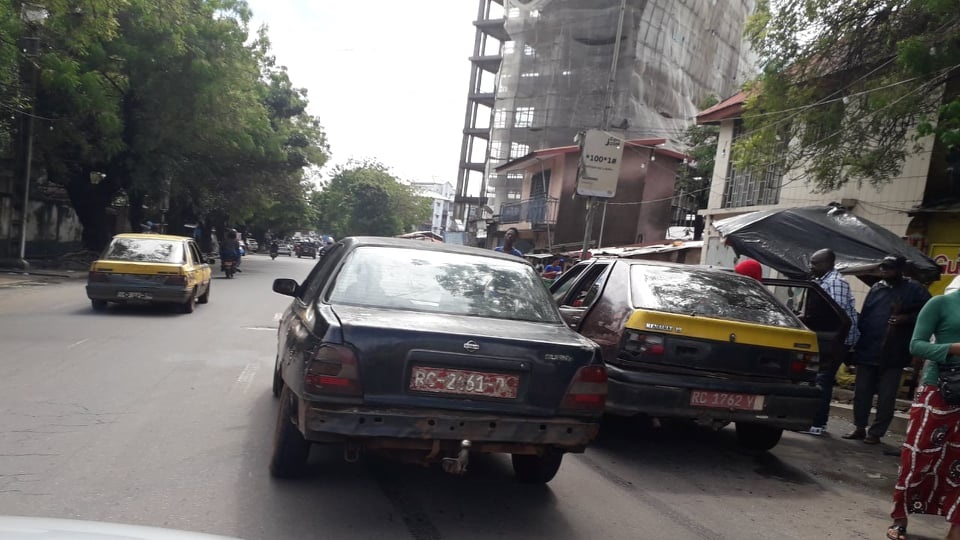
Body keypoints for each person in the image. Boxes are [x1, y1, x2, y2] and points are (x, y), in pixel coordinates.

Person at [887, 286, 960, 540]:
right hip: (939, 389)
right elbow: (916, 346)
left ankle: (956, 528)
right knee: (918, 455)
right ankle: (900, 518)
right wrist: (953, 349)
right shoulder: (941, 303)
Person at [843, 255, 931, 444]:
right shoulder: (877, 287)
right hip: (868, 348)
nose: (884, 271)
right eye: (883, 268)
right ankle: (859, 427)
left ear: (900, 270)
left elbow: (928, 313)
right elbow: (865, 317)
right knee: (862, 392)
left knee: (886, 396)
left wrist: (906, 319)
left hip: (894, 353)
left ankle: (876, 432)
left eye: (889, 268)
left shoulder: (915, 289)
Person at [803, 248, 860, 436]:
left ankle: (818, 424)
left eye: (815, 263)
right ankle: (812, 420)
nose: (811, 266)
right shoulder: (820, 281)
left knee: (823, 379)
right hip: (825, 336)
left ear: (828, 264)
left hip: (837, 339)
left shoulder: (836, 282)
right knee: (816, 378)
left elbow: (837, 314)